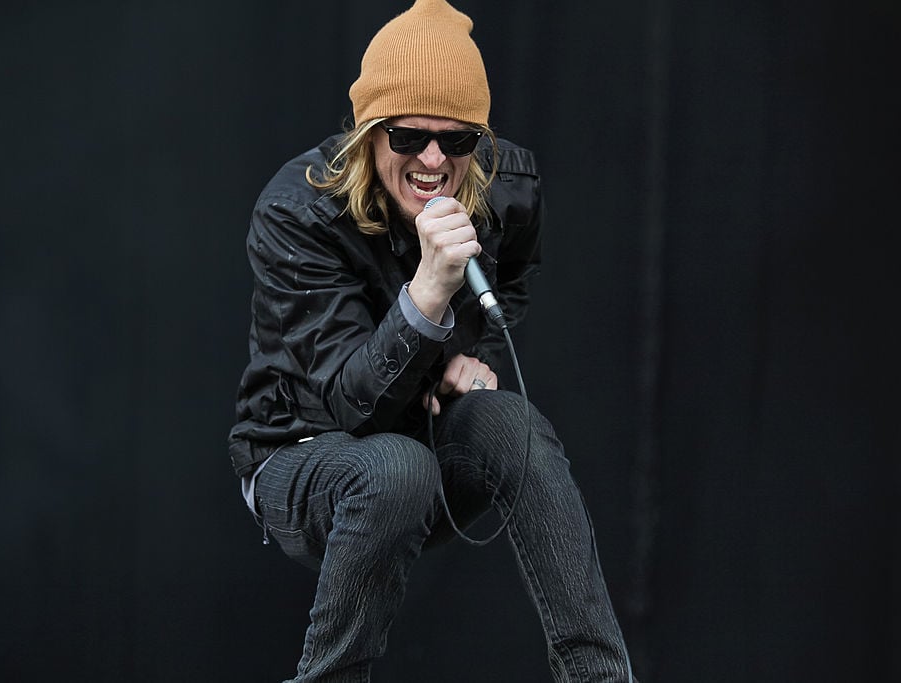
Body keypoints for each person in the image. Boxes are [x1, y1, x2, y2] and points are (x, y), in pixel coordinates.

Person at [227, 1, 636, 680]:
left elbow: (512, 284)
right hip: (300, 452)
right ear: (368, 135)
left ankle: (601, 675)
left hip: (423, 441)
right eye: (409, 136)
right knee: (394, 468)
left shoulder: (510, 189)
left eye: (458, 139)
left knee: (513, 423)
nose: (434, 159)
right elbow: (352, 408)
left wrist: (479, 360)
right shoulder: (296, 213)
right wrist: (426, 292)